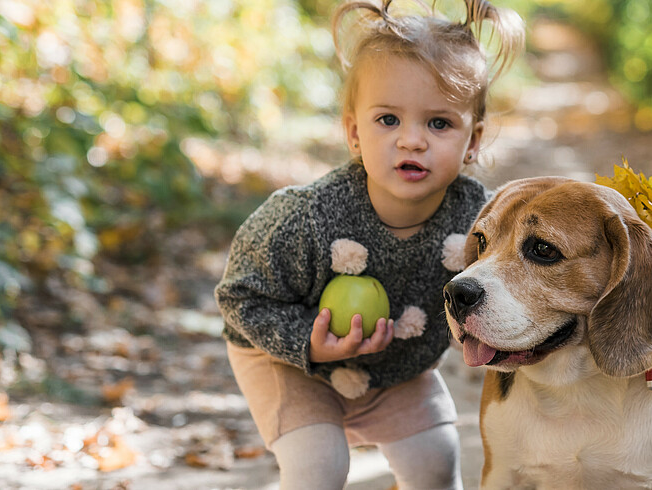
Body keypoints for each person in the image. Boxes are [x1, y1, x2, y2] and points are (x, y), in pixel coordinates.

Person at [215, 1, 522, 488]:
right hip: (289, 359)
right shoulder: (307, 218)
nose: (412, 141)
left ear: (473, 141)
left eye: (438, 123)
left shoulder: (481, 220)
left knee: (436, 465)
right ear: (354, 132)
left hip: (396, 365)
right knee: (319, 466)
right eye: (388, 120)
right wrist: (305, 343)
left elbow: (511, 285)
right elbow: (239, 296)